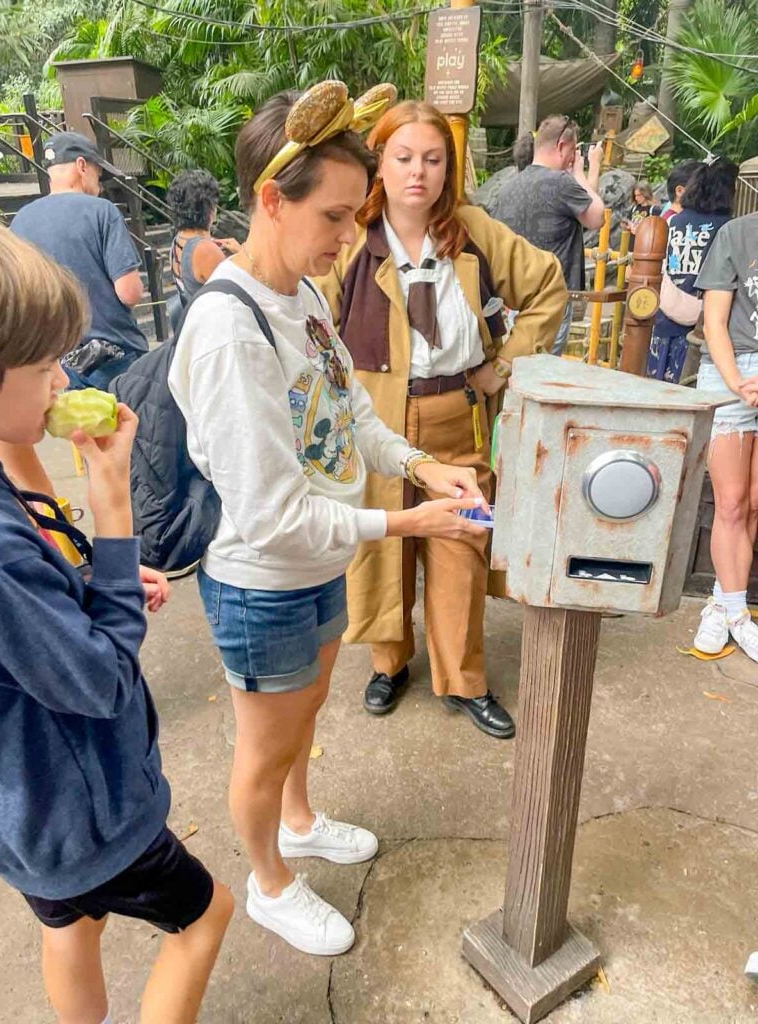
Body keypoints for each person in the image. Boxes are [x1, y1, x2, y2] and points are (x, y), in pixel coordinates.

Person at [168, 82, 491, 958]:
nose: (350, 237)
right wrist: (411, 526)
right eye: (337, 216)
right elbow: (272, 517)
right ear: (271, 200)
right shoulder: (231, 331)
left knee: (306, 712)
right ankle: (269, 882)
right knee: (263, 748)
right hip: (263, 578)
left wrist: (423, 465)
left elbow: (350, 416)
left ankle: (300, 823)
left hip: (320, 564)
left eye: (357, 216)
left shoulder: (306, 299)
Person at [0, 223, 233, 1023]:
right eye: (40, 367)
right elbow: (98, 678)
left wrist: (104, 578)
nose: (60, 380)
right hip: (83, 812)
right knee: (204, 920)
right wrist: (117, 511)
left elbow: (34, 625)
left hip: (24, 815)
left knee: (73, 921)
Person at [317, 99, 567, 735]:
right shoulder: (351, 240)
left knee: (460, 544)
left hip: (455, 414)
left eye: (432, 159)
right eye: (403, 158)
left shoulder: (472, 231)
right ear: (379, 162)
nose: (417, 173)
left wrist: (501, 365)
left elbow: (547, 288)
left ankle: (462, 678)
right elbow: (312, 319)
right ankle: (388, 661)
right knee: (380, 545)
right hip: (375, 422)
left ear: (448, 168)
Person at [10, 131, 148, 390]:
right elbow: (129, 292)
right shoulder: (101, 211)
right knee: (131, 427)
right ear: (82, 166)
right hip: (114, 357)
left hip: (57, 361)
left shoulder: (21, 221)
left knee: (81, 430)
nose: (100, 184)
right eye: (98, 174)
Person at [691, 210, 758, 662]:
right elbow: (714, 321)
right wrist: (738, 382)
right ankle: (736, 615)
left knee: (754, 502)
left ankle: (724, 601)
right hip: (730, 372)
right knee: (730, 501)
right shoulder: (737, 234)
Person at [483, 114, 605, 354]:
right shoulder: (561, 182)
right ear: (561, 147)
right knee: (542, 365)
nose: (573, 157)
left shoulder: (508, 186)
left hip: (517, 295)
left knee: (517, 361)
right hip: (552, 295)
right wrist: (585, 169)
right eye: (573, 150)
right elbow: (596, 217)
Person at [647, 159, 737, 383]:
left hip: (665, 316)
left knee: (659, 385)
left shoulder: (674, 221)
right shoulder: (728, 227)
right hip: (703, 325)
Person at [166, 169, 241, 331]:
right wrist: (241, 254)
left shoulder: (178, 240)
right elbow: (240, 292)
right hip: (215, 331)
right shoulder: (205, 249)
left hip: (196, 327)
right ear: (209, 208)